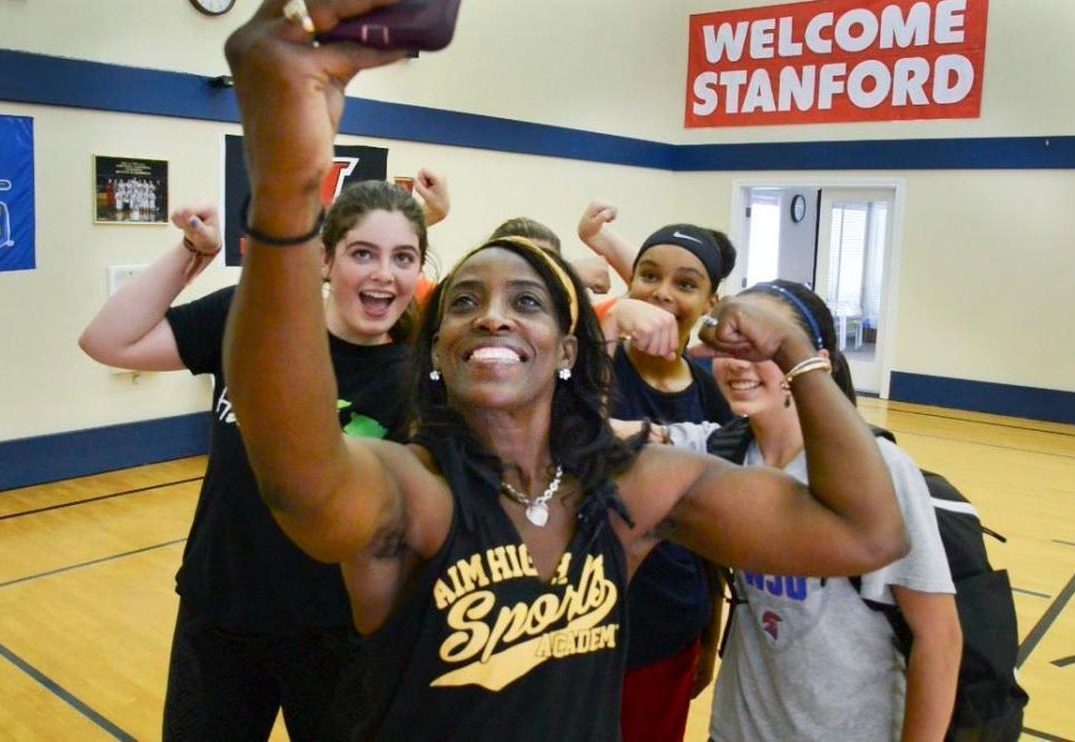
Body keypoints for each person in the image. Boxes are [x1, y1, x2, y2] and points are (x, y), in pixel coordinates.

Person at [221, 2, 907, 739]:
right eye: (465, 303)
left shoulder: (634, 486)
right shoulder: (413, 494)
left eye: (527, 302)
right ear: (436, 352)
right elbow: (294, 467)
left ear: (571, 349)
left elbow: (863, 535)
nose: (493, 317)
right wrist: (288, 190)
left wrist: (798, 357)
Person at [77, 177, 431, 740]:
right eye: (363, 253)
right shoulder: (255, 318)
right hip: (221, 617)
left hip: (341, 639)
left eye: (402, 257)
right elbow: (107, 341)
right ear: (324, 260)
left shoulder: (422, 379)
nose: (383, 274)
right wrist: (193, 254)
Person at [666, 280, 962, 741]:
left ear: (811, 364)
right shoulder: (716, 451)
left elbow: (939, 638)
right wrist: (610, 323)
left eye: (763, 346)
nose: (740, 362)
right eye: (730, 344)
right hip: (739, 729)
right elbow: (591, 438)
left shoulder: (881, 472)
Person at [586, 215, 738, 741]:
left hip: (669, 625)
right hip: (575, 621)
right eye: (648, 275)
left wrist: (709, 629)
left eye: (686, 284)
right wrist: (606, 321)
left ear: (710, 303)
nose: (663, 293)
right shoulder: (592, 362)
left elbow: (716, 528)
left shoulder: (714, 395)